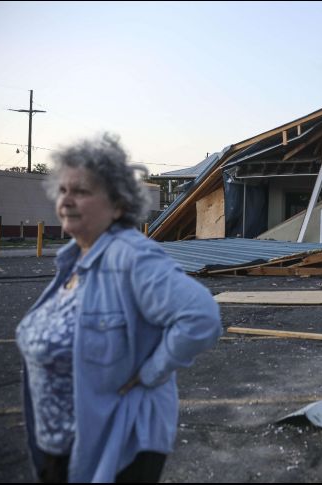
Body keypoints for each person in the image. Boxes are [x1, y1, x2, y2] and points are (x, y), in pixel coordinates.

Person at [16, 133, 221, 483]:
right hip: (63, 444)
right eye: (63, 190)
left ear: (118, 205)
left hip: (119, 445)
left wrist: (151, 372)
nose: (67, 200)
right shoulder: (75, 259)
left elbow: (201, 316)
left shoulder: (130, 255)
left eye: (81, 191)